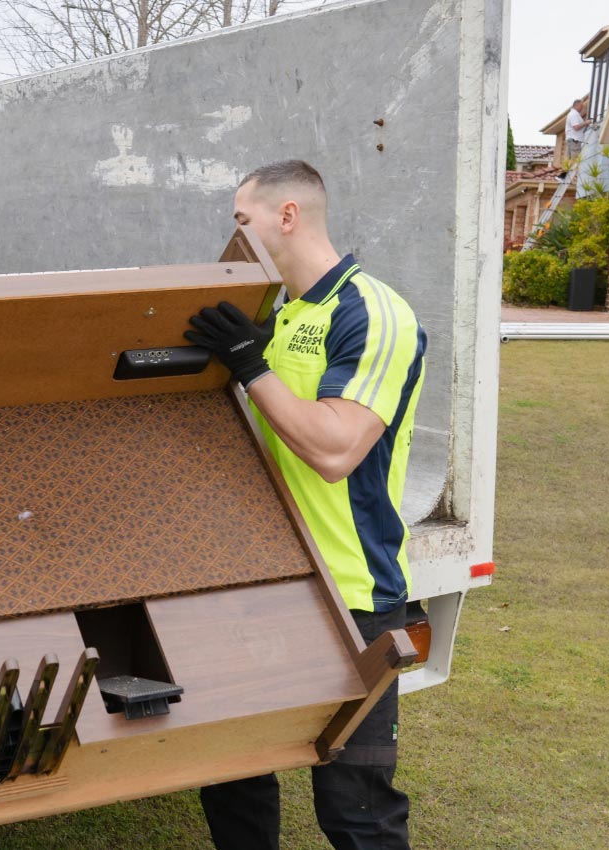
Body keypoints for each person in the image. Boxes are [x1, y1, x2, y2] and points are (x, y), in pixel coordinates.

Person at [183, 159, 426, 850]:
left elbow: (335, 450)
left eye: (241, 221)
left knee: (354, 808)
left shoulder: (373, 312)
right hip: (256, 583)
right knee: (234, 780)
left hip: (348, 591)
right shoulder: (278, 314)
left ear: (285, 216)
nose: (234, 236)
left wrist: (249, 366)